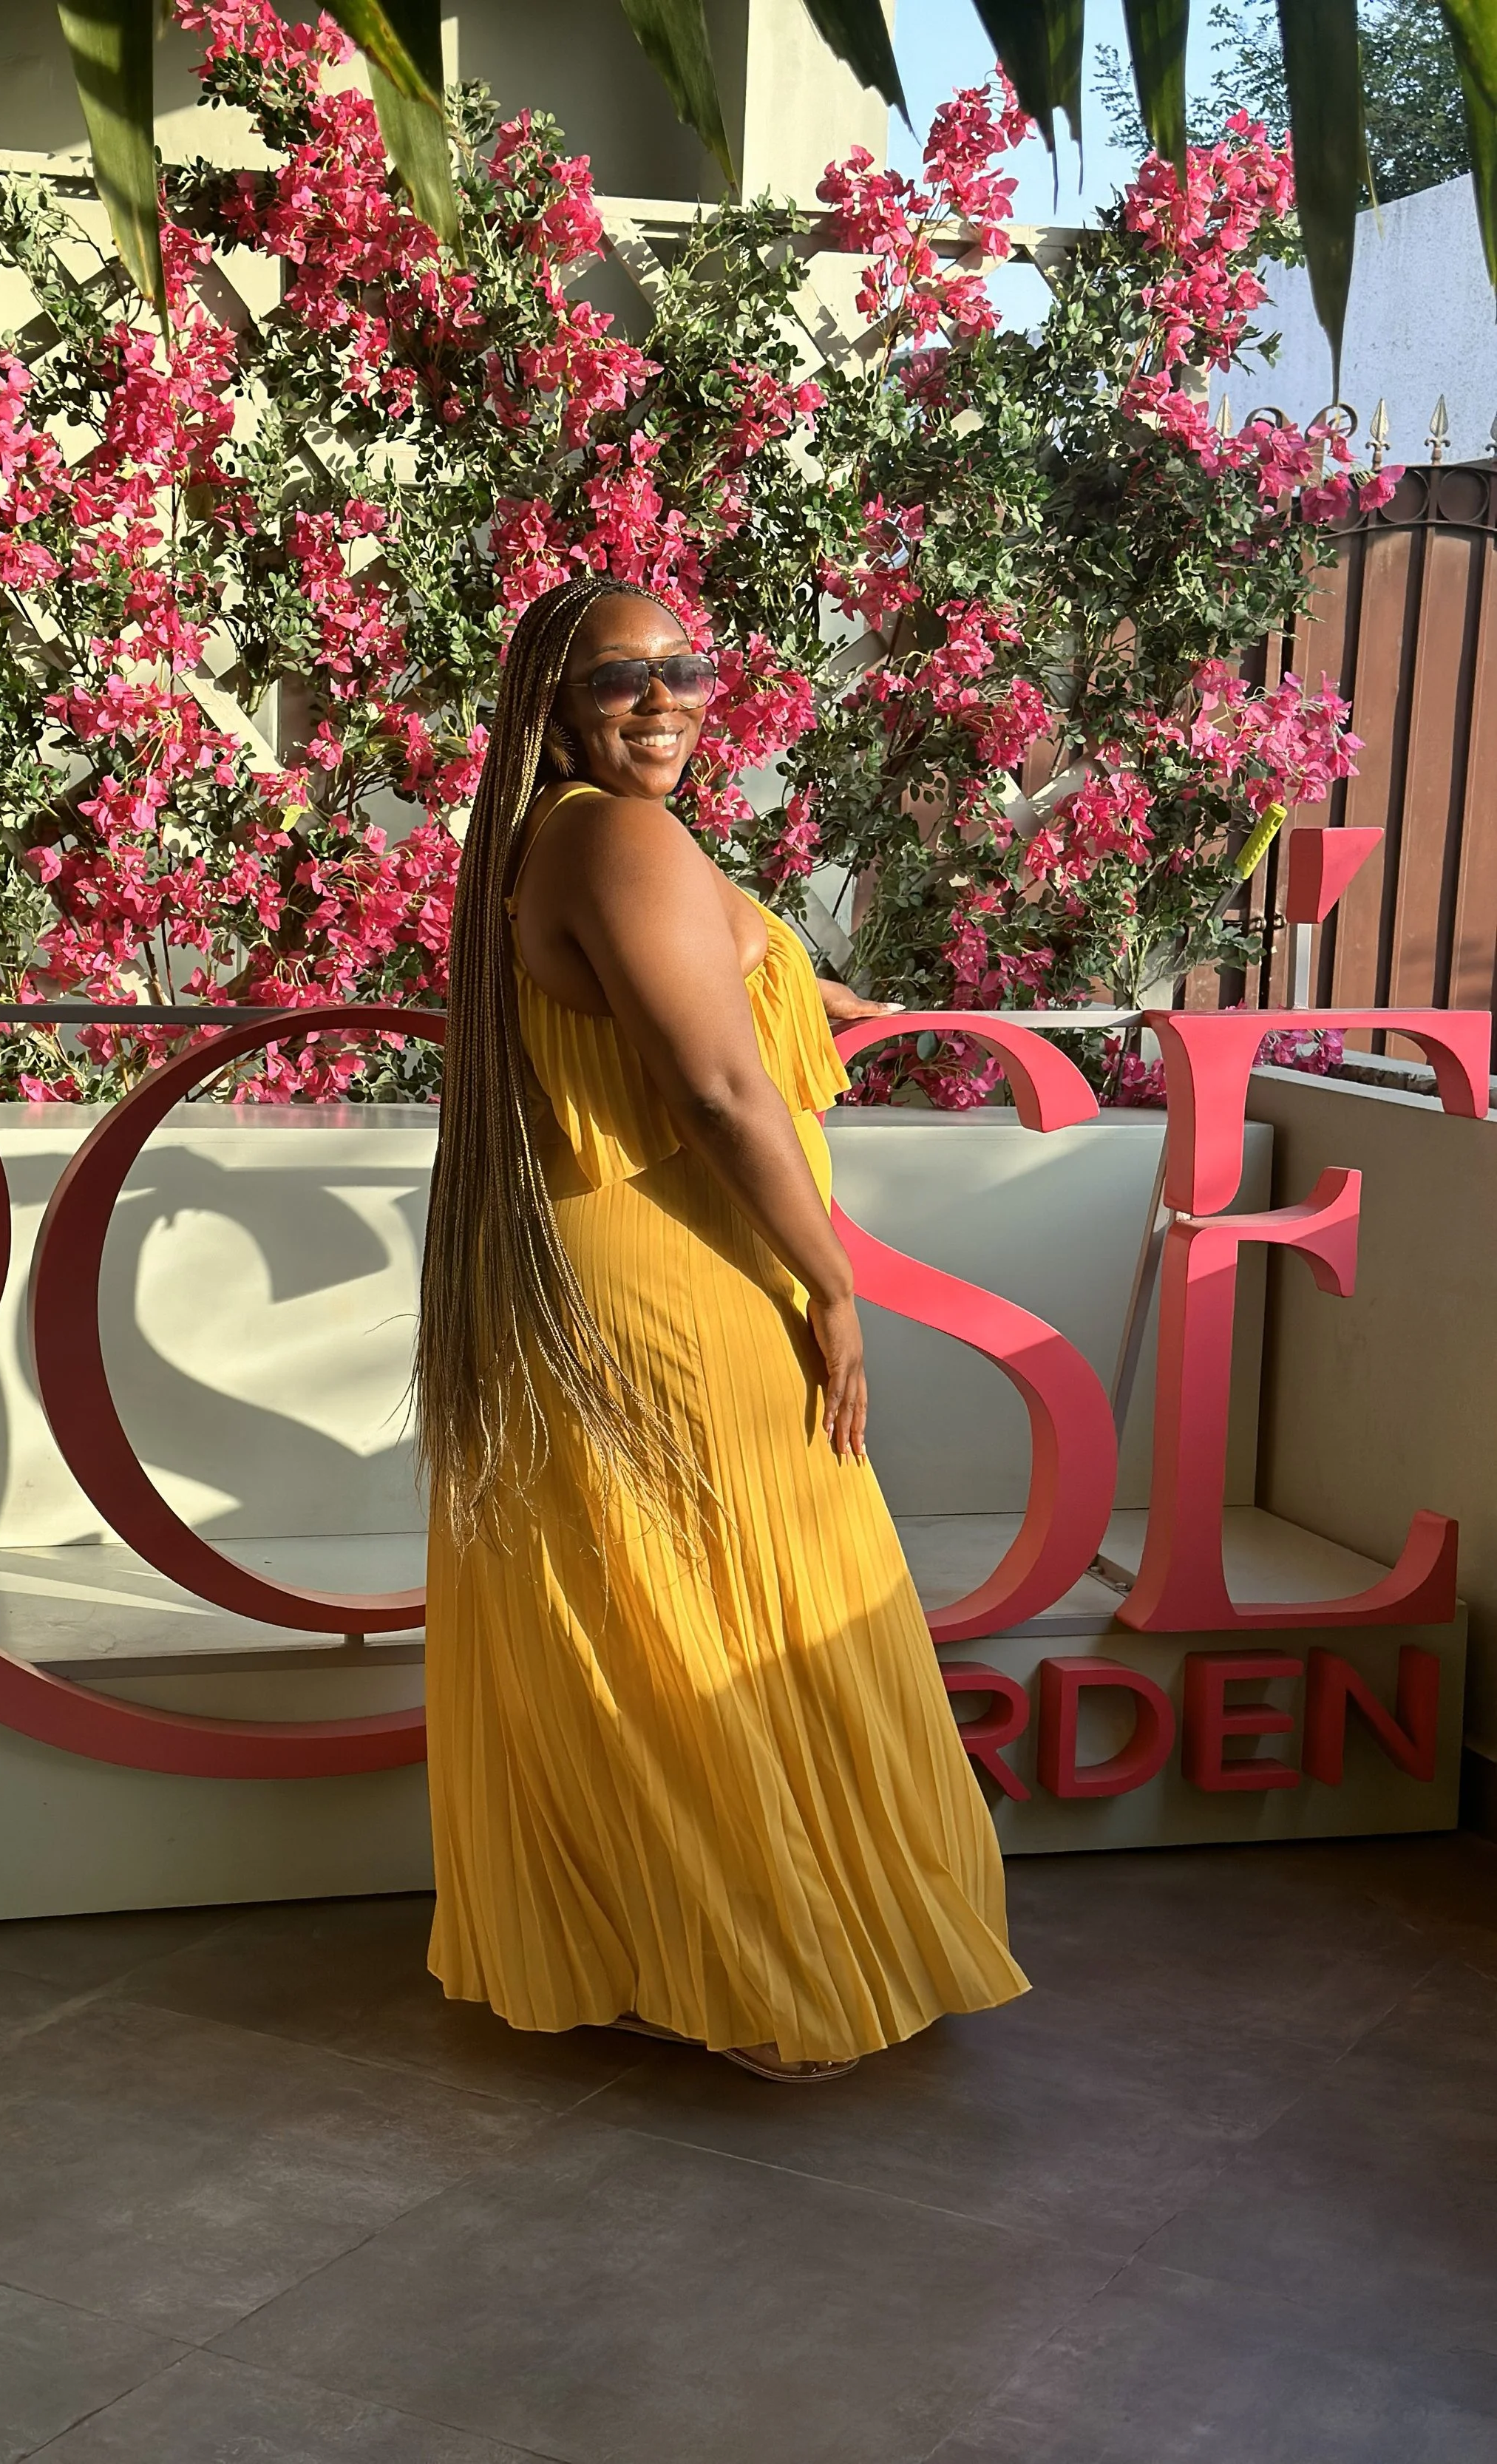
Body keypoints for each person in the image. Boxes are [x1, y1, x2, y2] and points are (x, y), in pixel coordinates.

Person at [415, 574, 1028, 2083]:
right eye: (619, 676)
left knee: (653, 1618)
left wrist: (806, 983)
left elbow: (699, 999)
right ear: (554, 705)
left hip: (615, 1279)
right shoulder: (615, 836)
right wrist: (833, 1284)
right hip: (685, 1284)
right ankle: (773, 1976)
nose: (663, 698)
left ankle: (667, 1959)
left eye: (683, 668)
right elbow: (712, 1088)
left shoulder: (556, 839)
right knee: (737, 1614)